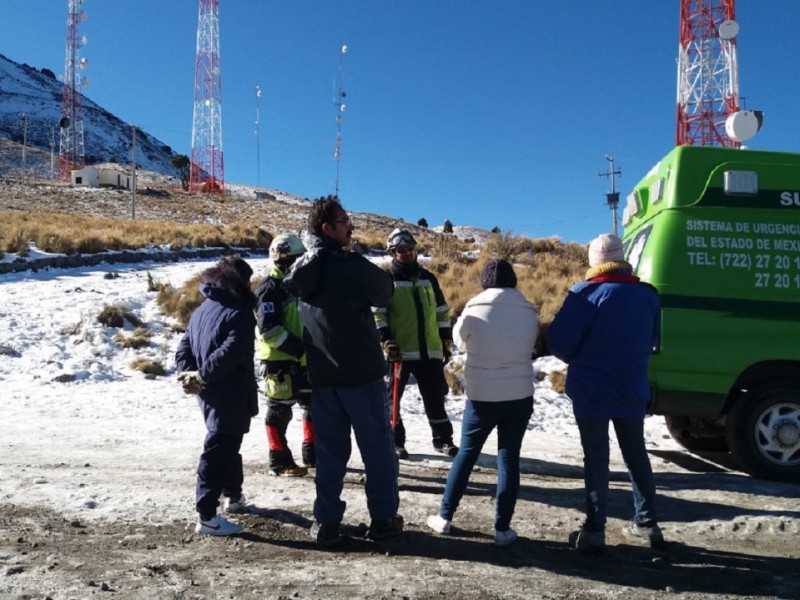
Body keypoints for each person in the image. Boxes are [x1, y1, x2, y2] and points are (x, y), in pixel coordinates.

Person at [283, 198, 403, 548]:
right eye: (345, 221)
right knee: (378, 451)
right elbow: (386, 291)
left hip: (324, 379)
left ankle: (327, 523)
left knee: (331, 454)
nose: (351, 227)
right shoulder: (348, 264)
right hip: (361, 376)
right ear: (327, 229)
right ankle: (382, 520)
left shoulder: (302, 270)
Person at [546, 233, 664, 555]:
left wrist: (580, 355)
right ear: (621, 258)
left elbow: (558, 342)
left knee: (596, 457)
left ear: (594, 262)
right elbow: (654, 340)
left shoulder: (586, 294)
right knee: (636, 454)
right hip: (631, 387)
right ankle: (648, 525)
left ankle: (595, 531)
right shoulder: (648, 296)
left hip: (591, 390)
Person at [426, 259, 538, 548]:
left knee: (467, 454)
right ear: (513, 280)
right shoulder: (528, 309)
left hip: (483, 396)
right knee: (509, 460)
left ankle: (445, 517)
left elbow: (458, 340)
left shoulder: (474, 308)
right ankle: (502, 529)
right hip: (519, 395)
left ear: (485, 281)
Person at [175, 255, 259, 537]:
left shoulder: (202, 309)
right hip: (230, 392)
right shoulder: (240, 313)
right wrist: (201, 375)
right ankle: (207, 515)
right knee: (219, 448)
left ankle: (233, 496)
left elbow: (184, 343)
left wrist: (188, 373)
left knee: (227, 444)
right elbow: (230, 354)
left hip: (210, 393)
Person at [374, 228, 458, 459]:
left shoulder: (428, 278)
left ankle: (443, 440)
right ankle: (396, 442)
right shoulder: (387, 280)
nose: (407, 253)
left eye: (410, 249)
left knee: (435, 398)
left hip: (429, 351)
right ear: (393, 252)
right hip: (400, 353)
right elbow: (378, 314)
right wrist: (387, 340)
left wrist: (445, 339)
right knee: (393, 401)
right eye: (401, 250)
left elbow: (441, 312)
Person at [254, 233, 315, 478]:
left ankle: (313, 453)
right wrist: (298, 348)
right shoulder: (269, 288)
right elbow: (268, 329)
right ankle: (279, 461)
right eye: (295, 259)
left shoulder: (302, 286)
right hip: (280, 361)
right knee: (279, 413)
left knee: (313, 407)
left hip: (305, 360)